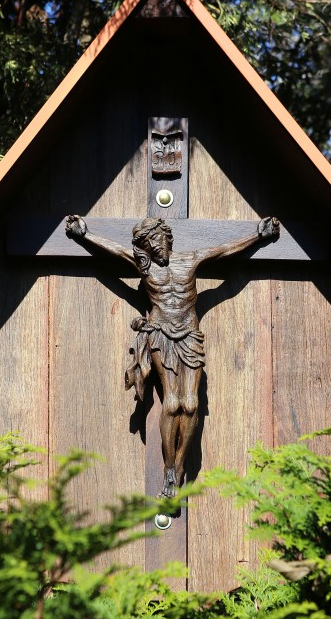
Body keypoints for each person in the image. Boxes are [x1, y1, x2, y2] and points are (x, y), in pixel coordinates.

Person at [65, 213, 280, 497]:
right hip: (160, 334)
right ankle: (169, 469)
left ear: (166, 237)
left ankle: (178, 468)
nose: (154, 246)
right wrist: (85, 235)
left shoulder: (191, 259)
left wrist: (258, 235)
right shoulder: (144, 266)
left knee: (190, 403)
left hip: (189, 333)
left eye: (156, 239)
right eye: (147, 243)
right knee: (171, 402)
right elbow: (115, 251)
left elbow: (225, 250)